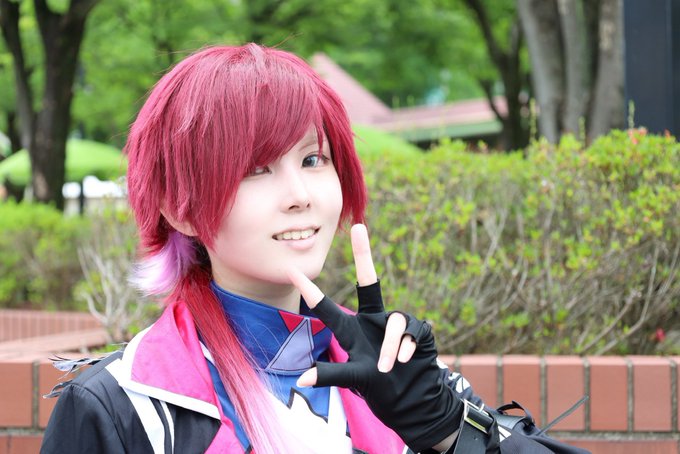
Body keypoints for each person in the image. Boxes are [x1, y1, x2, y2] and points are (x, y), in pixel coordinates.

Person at [41, 44, 589, 454]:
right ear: (179, 209)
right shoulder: (123, 405)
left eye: (313, 160)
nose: (300, 195)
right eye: (256, 169)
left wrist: (445, 428)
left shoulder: (395, 369)